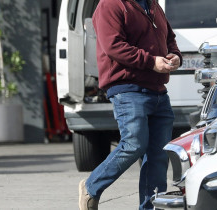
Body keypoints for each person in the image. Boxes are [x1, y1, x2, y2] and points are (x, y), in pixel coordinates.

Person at [78, 0, 181, 209]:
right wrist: (152, 61)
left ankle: (152, 207)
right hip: (127, 88)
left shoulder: (152, 5)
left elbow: (169, 38)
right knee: (134, 143)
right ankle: (91, 187)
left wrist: (175, 55)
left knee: (158, 156)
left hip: (159, 90)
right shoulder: (110, 4)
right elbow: (113, 46)